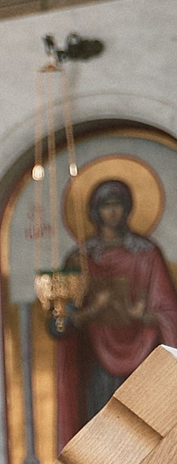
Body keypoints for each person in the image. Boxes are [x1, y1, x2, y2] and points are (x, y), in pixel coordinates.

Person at [49, 175, 177, 442]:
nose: (113, 211)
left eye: (118, 204)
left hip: (143, 358)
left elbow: (168, 311)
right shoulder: (80, 258)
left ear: (128, 207)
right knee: (103, 430)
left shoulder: (146, 254)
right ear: (95, 211)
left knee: (145, 430)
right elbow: (61, 320)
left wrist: (141, 316)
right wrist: (84, 314)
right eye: (106, 205)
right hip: (95, 360)